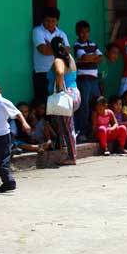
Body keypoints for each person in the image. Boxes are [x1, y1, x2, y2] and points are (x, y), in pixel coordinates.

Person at [47, 37, 81, 165]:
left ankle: (72, 157)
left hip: (66, 96)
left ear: (52, 48)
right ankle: (68, 153)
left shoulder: (58, 60)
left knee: (67, 127)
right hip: (74, 93)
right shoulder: (69, 57)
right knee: (66, 126)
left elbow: (60, 72)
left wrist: (60, 90)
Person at [73, 20, 103, 142]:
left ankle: (96, 130)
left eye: (86, 32)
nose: (84, 34)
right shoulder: (77, 45)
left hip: (94, 79)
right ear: (77, 33)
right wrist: (90, 58)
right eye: (81, 32)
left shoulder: (93, 44)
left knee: (97, 105)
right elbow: (84, 57)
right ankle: (82, 132)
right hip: (83, 79)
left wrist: (88, 58)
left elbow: (100, 58)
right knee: (84, 107)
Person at [32, 7, 70, 103]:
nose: (50, 24)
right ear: (43, 20)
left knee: (57, 102)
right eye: (47, 21)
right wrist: (59, 48)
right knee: (43, 102)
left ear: (57, 21)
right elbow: (43, 50)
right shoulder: (37, 31)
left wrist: (50, 46)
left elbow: (67, 51)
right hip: (42, 72)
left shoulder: (61, 33)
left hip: (59, 73)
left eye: (53, 21)